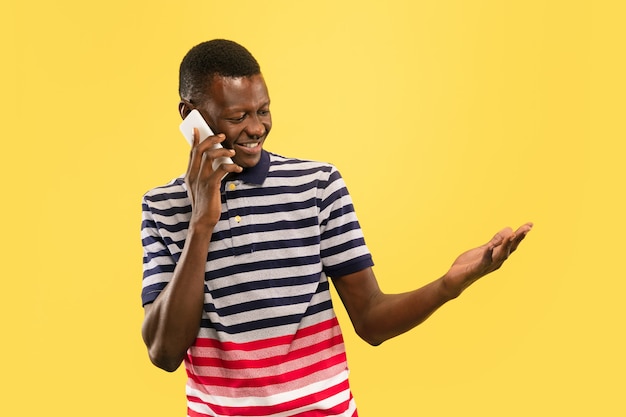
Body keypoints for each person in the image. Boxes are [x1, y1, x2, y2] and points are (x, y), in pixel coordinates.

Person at [140, 39, 533, 417]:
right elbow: (165, 352)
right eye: (238, 116)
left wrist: (450, 283)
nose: (257, 128)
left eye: (263, 110)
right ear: (189, 116)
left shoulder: (317, 185)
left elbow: (371, 320)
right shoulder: (161, 207)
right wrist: (201, 222)